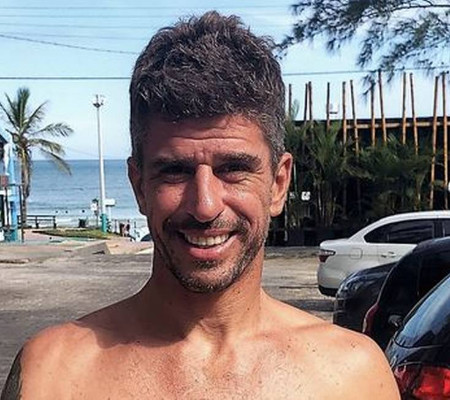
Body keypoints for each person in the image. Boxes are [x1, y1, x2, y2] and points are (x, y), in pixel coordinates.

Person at [1, 12, 400, 399]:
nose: (205, 207)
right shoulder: (53, 374)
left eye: (233, 169)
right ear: (139, 186)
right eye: (174, 171)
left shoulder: (351, 375)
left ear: (278, 184)